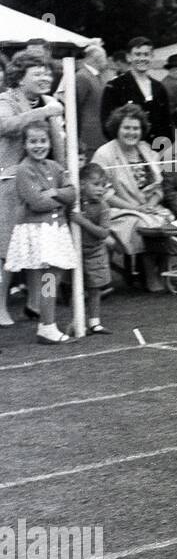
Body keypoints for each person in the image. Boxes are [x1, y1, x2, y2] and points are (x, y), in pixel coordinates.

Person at [0, 52, 66, 324]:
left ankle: (37, 303)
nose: (44, 77)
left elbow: (58, 150)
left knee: (45, 250)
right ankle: (0, 307)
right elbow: (6, 125)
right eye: (37, 73)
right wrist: (45, 112)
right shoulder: (6, 100)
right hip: (10, 182)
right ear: (20, 76)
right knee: (5, 251)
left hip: (43, 183)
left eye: (47, 73)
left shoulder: (48, 103)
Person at [5, 122, 78, 344]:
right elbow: (36, 202)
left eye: (43, 141)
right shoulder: (24, 169)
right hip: (37, 231)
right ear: (25, 145)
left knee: (53, 277)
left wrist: (54, 192)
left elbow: (72, 193)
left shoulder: (54, 166)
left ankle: (47, 323)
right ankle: (47, 326)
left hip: (55, 228)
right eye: (33, 141)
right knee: (49, 278)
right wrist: (58, 199)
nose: (39, 146)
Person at [91, 104, 173, 291]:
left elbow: (158, 186)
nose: (131, 132)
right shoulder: (104, 153)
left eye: (135, 128)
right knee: (145, 225)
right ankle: (150, 277)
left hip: (147, 207)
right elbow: (103, 192)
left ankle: (162, 272)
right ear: (117, 129)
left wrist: (151, 203)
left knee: (167, 220)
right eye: (126, 127)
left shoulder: (146, 149)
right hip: (116, 210)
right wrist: (136, 208)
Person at [70, 160, 115, 334]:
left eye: (103, 185)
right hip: (75, 253)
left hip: (95, 253)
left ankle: (94, 322)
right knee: (75, 288)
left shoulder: (103, 207)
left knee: (95, 289)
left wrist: (83, 221)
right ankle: (76, 320)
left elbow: (104, 233)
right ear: (82, 184)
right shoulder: (76, 202)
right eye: (96, 184)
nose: (100, 189)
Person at [101, 35, 172, 141]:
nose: (142, 58)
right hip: (126, 150)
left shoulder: (159, 88)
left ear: (152, 56)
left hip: (155, 153)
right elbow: (108, 124)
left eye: (146, 54)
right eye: (137, 54)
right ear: (129, 57)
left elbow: (166, 124)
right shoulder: (115, 86)